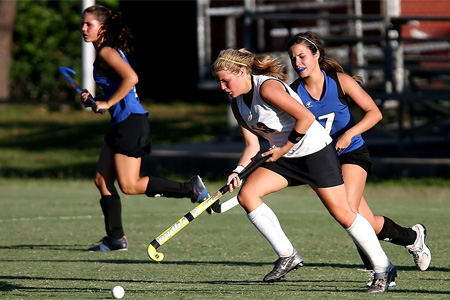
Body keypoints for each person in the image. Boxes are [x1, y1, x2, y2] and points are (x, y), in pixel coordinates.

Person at [212, 48, 396, 293]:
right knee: (248, 195)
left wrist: (283, 148)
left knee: (343, 214)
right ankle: (287, 255)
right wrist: (238, 170)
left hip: (314, 152)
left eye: (226, 80)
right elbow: (252, 145)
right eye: (220, 82)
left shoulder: (267, 88)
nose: (223, 87)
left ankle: (384, 268)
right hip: (285, 156)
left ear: (243, 72)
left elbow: (306, 117)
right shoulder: (238, 104)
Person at [286, 31, 431, 283]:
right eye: (293, 58)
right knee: (367, 222)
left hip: (352, 153)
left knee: (348, 212)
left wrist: (348, 134)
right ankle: (412, 237)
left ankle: (381, 272)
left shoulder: (340, 81)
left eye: (302, 56)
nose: (298, 62)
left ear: (316, 55)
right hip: (323, 160)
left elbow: (374, 113)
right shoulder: (294, 92)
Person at [80, 5, 210, 252]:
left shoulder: (107, 52)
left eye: (89, 25)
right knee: (102, 179)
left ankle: (190, 188)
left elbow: (131, 79)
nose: (84, 29)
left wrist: (106, 102)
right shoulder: (106, 51)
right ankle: (115, 238)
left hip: (130, 123)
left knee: (129, 185)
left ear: (103, 28)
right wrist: (95, 100)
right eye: (83, 24)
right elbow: (118, 87)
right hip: (122, 123)